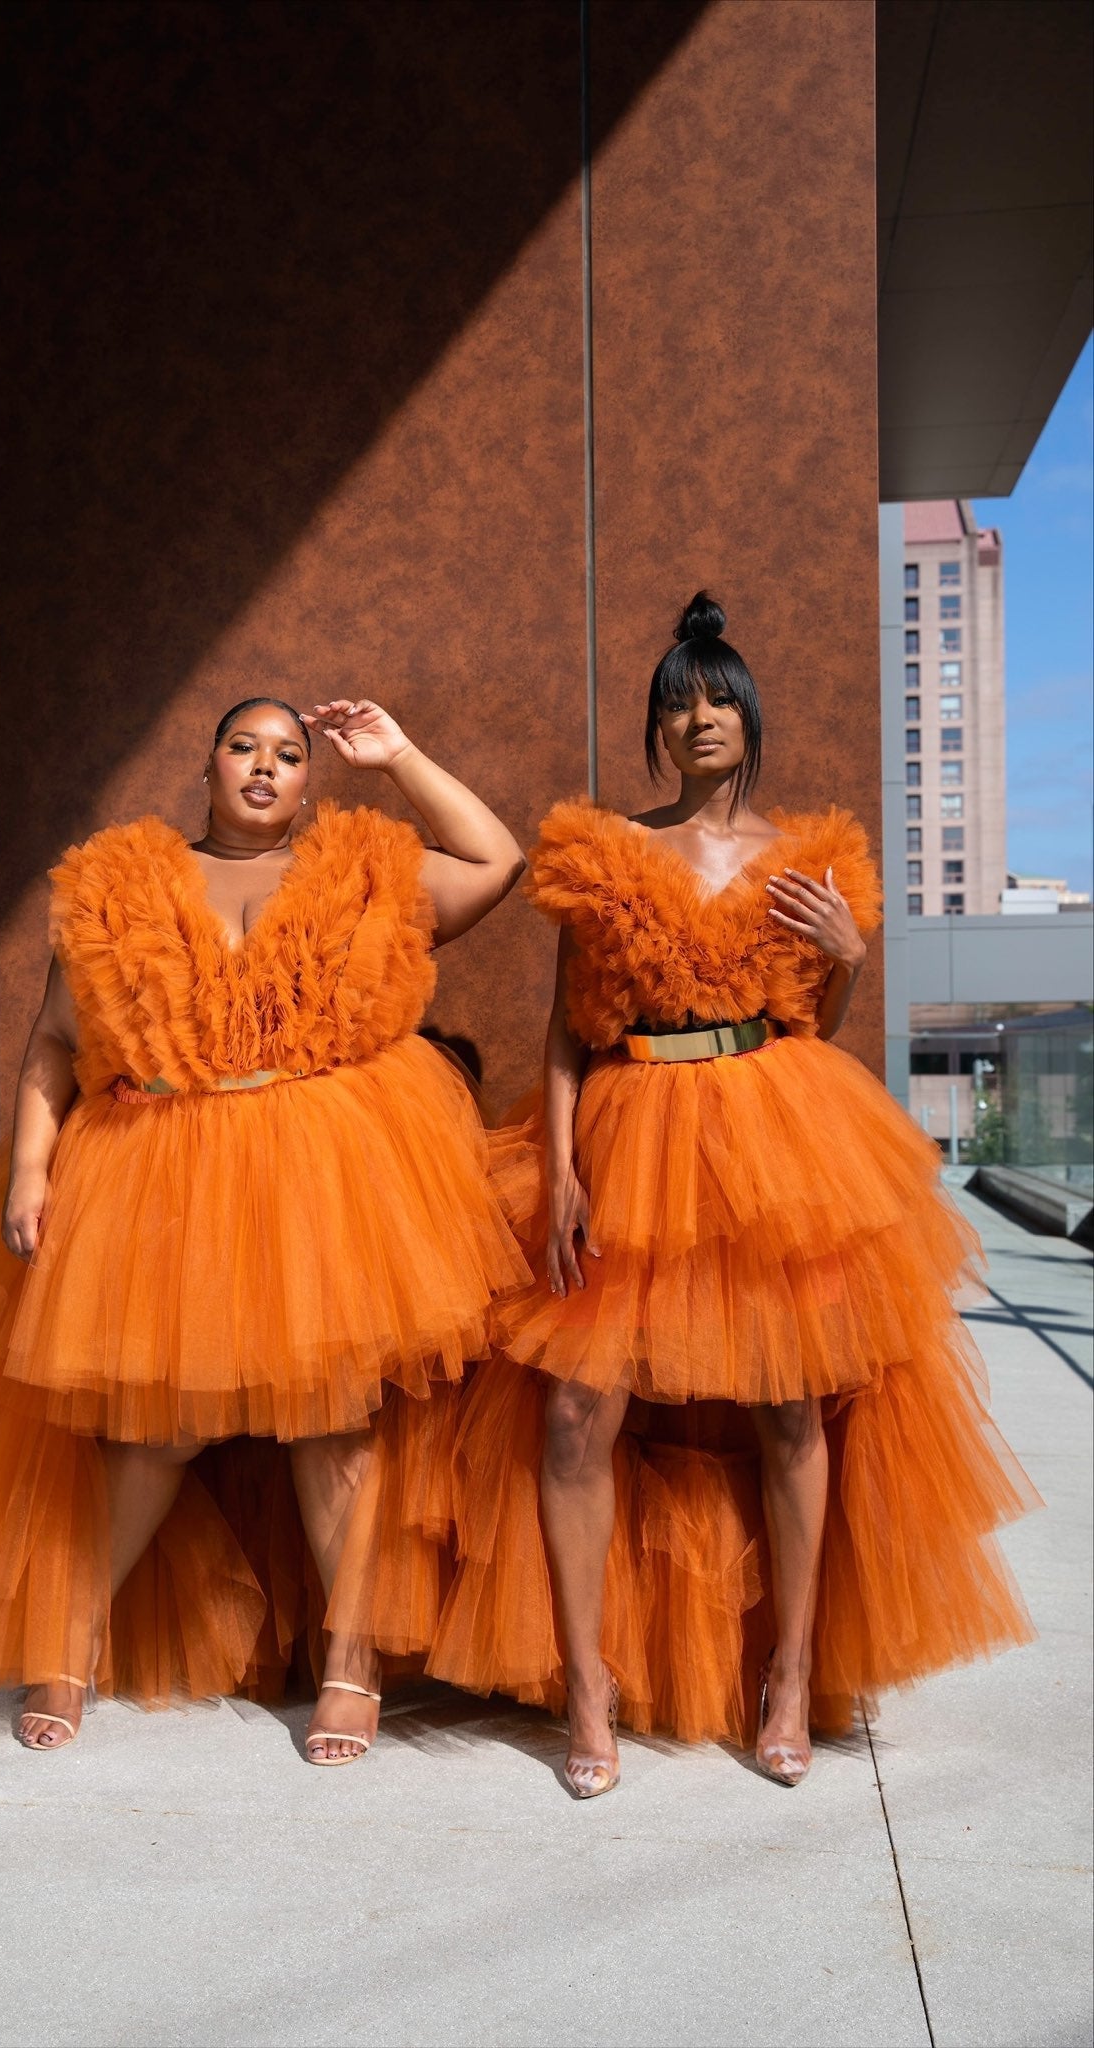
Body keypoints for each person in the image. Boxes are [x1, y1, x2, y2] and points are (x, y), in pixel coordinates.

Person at [430, 595, 1036, 1796]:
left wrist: (855, 958)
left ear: (750, 718)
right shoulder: (605, 850)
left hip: (774, 1134)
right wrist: (557, 1173)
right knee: (570, 1415)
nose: (697, 716)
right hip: (629, 1124)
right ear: (657, 726)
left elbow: (813, 1023)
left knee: (795, 1411)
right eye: (676, 701)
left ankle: (792, 1678)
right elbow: (561, 1039)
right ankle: (587, 1687)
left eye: (717, 698)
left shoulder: (810, 858)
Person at [0, 696, 528, 1762]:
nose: (264, 765)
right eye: (244, 745)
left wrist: (398, 755)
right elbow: (55, 1041)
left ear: (307, 782)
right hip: (163, 1170)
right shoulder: (123, 882)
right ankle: (75, 1634)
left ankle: (352, 1653)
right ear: (207, 763)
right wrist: (31, 1169)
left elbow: (494, 859)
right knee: (157, 1426)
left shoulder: (360, 869)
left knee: (333, 1421)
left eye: (289, 755)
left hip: (322, 1168)